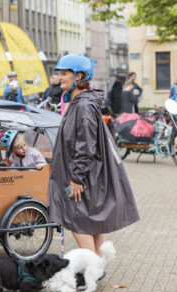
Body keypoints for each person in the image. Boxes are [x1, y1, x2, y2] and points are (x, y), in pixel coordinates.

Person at [47, 54, 139, 261]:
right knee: (90, 221)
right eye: (59, 74)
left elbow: (86, 145)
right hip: (89, 173)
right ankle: (96, 267)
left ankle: (90, 267)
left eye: (64, 74)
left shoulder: (83, 106)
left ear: (78, 77)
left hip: (83, 175)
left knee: (76, 220)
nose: (60, 78)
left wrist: (76, 178)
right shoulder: (81, 102)